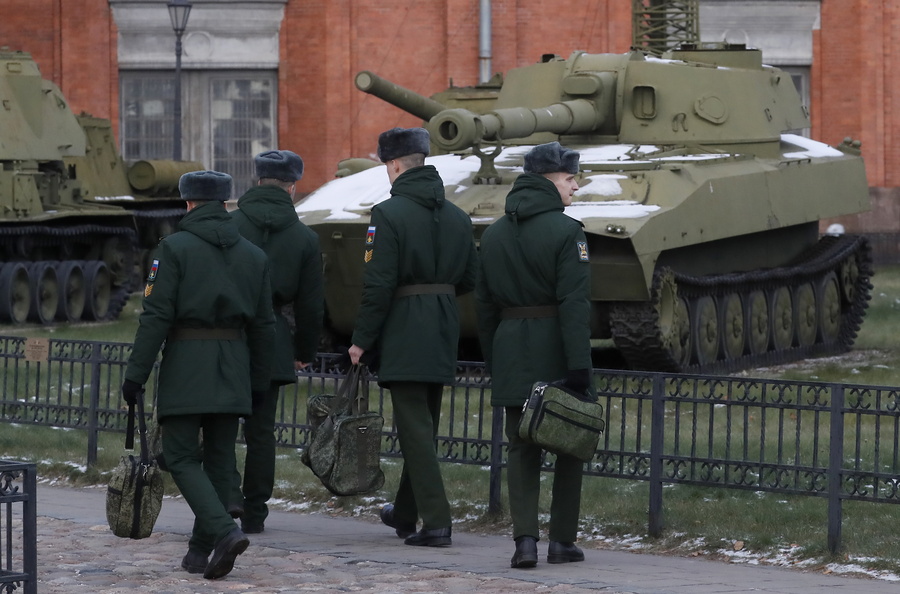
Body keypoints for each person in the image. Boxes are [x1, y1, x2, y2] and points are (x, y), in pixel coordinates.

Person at [121, 170, 275, 580]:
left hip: (188, 363)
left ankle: (224, 532)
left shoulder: (172, 249)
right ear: (226, 203)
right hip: (235, 363)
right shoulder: (254, 255)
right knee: (221, 459)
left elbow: (155, 318)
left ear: (188, 203)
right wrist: (260, 382)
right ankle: (197, 551)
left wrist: (135, 375)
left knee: (181, 455)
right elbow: (264, 326)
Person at [347, 127, 478, 547]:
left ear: (395, 165)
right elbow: (470, 278)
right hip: (443, 324)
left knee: (415, 430)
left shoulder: (388, 214)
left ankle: (437, 521)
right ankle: (405, 512)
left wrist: (361, 339)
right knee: (423, 426)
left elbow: (378, 284)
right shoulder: (458, 216)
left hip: (405, 326)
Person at [474, 141, 592, 569]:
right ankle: (562, 541)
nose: (575, 187)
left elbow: (484, 307)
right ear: (548, 180)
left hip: (510, 348)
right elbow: (575, 306)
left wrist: (494, 359)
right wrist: (580, 366)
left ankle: (524, 543)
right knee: (570, 444)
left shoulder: (495, 233)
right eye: (569, 178)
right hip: (556, 350)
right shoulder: (567, 231)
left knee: (521, 449)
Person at [229, 149, 324, 534]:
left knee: (220, 425)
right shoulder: (304, 237)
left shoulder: (229, 225)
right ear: (292, 186)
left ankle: (227, 495)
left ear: (257, 180)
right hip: (274, 339)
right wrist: (304, 351)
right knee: (261, 432)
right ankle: (255, 512)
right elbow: (311, 304)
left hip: (228, 337)